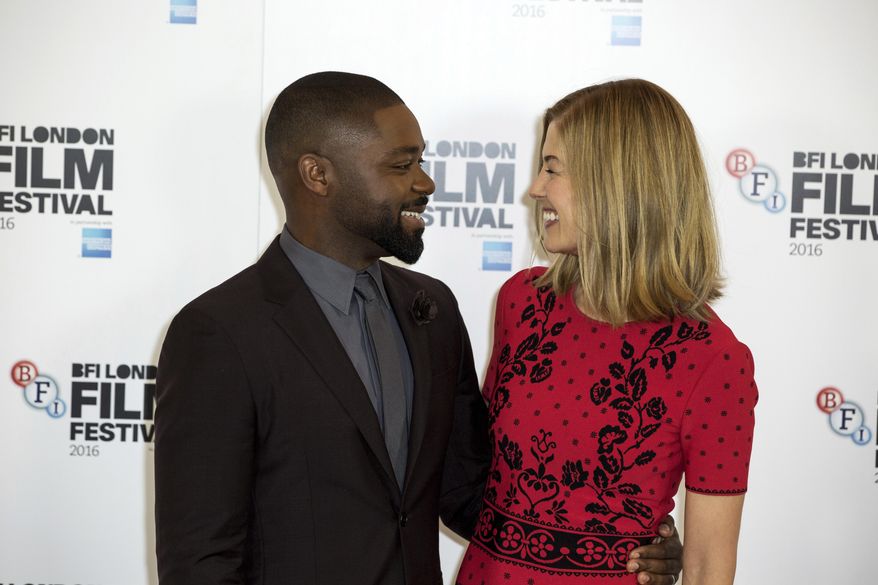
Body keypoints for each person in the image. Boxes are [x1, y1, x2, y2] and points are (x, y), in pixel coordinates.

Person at [154, 72, 684, 585]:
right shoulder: (218, 333)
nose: (425, 182)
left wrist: (627, 543)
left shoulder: (431, 311)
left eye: (421, 160)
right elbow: (200, 561)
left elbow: (473, 495)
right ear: (318, 175)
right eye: (401, 165)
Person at [456, 79, 758, 585]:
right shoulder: (522, 303)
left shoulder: (712, 359)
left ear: (615, 183)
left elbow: (709, 566)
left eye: (552, 168)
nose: (535, 188)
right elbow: (474, 474)